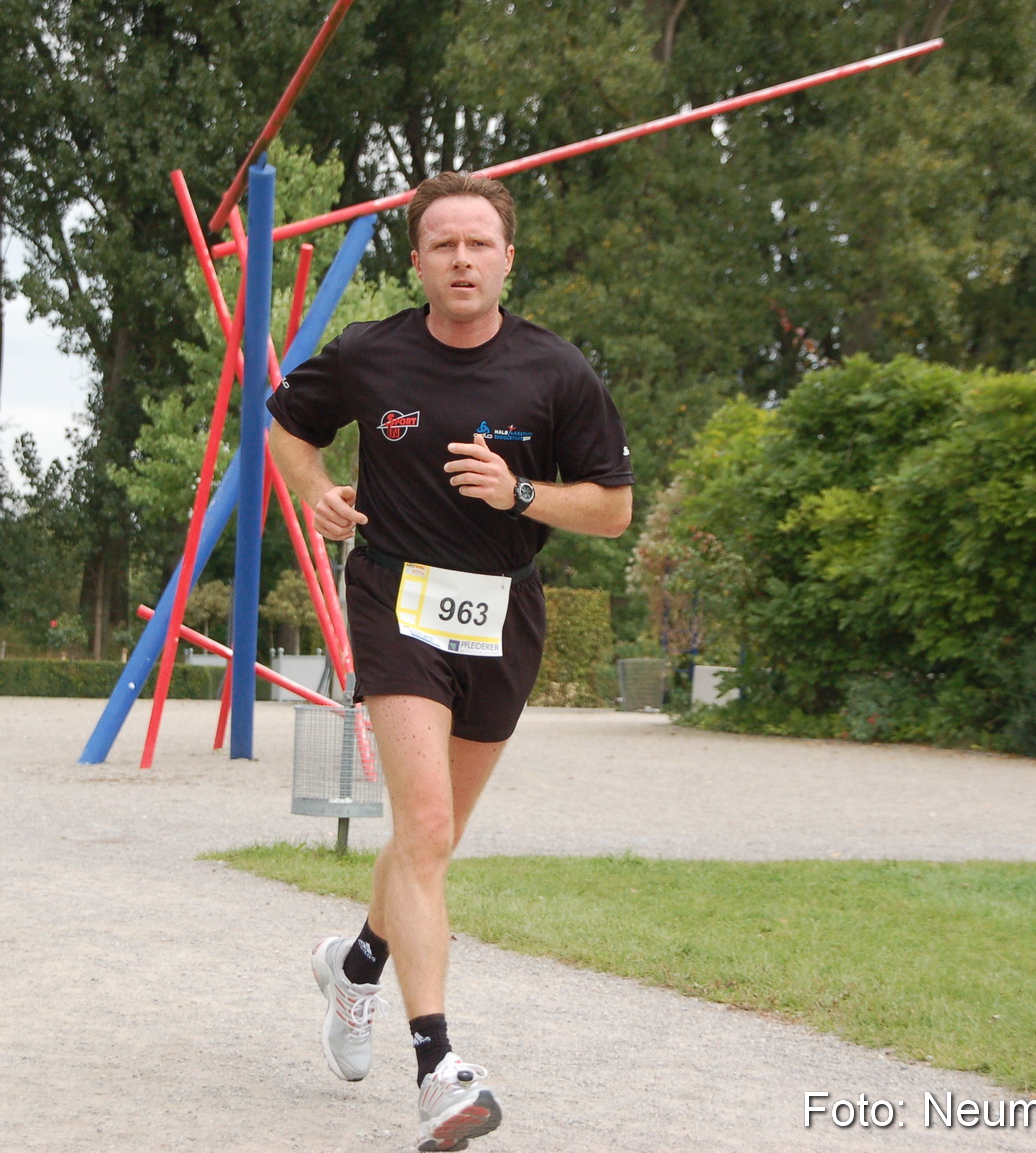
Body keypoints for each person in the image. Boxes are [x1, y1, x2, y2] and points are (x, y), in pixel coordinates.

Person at [268, 171, 634, 1151]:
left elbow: (611, 507)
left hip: (504, 612)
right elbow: (285, 425)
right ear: (419, 260)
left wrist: (520, 494)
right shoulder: (369, 353)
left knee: (432, 841)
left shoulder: (558, 373)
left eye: (480, 244)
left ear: (508, 257)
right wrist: (315, 490)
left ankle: (355, 964)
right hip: (395, 598)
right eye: (443, 245)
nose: (462, 260)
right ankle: (439, 1066)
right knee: (422, 821)